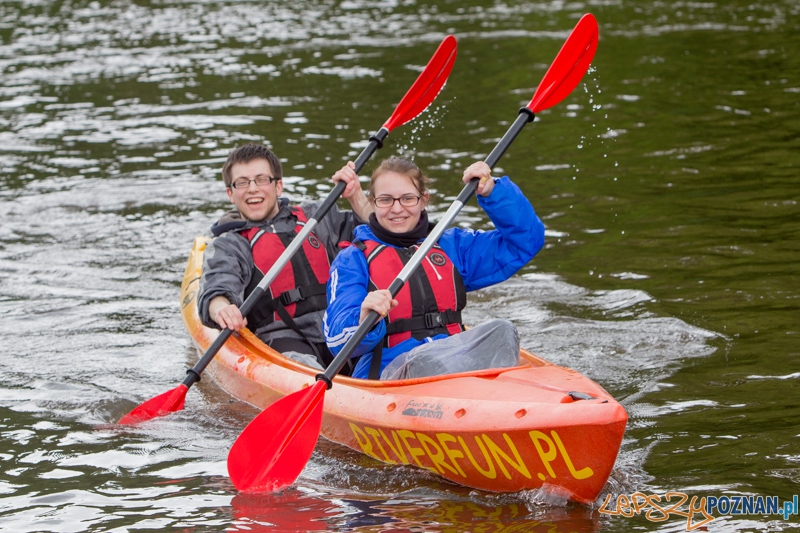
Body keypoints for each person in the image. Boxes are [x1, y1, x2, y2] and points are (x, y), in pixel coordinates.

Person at [324, 156, 546, 380]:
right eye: (386, 200)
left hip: (455, 358)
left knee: (502, 329)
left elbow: (525, 242)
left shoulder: (450, 246)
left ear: (424, 200)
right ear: (373, 203)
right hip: (391, 372)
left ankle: (497, 396)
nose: (397, 208)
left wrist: (493, 192)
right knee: (424, 360)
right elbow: (336, 341)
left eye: (408, 199)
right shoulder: (353, 259)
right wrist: (362, 318)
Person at [197, 143, 371, 372]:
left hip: (340, 327)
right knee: (309, 370)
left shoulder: (317, 217)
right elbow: (217, 287)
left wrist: (356, 196)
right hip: (283, 340)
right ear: (230, 193)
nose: (252, 189)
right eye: (242, 183)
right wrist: (221, 308)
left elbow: (379, 232)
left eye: (261, 179)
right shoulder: (230, 243)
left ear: (278, 186)